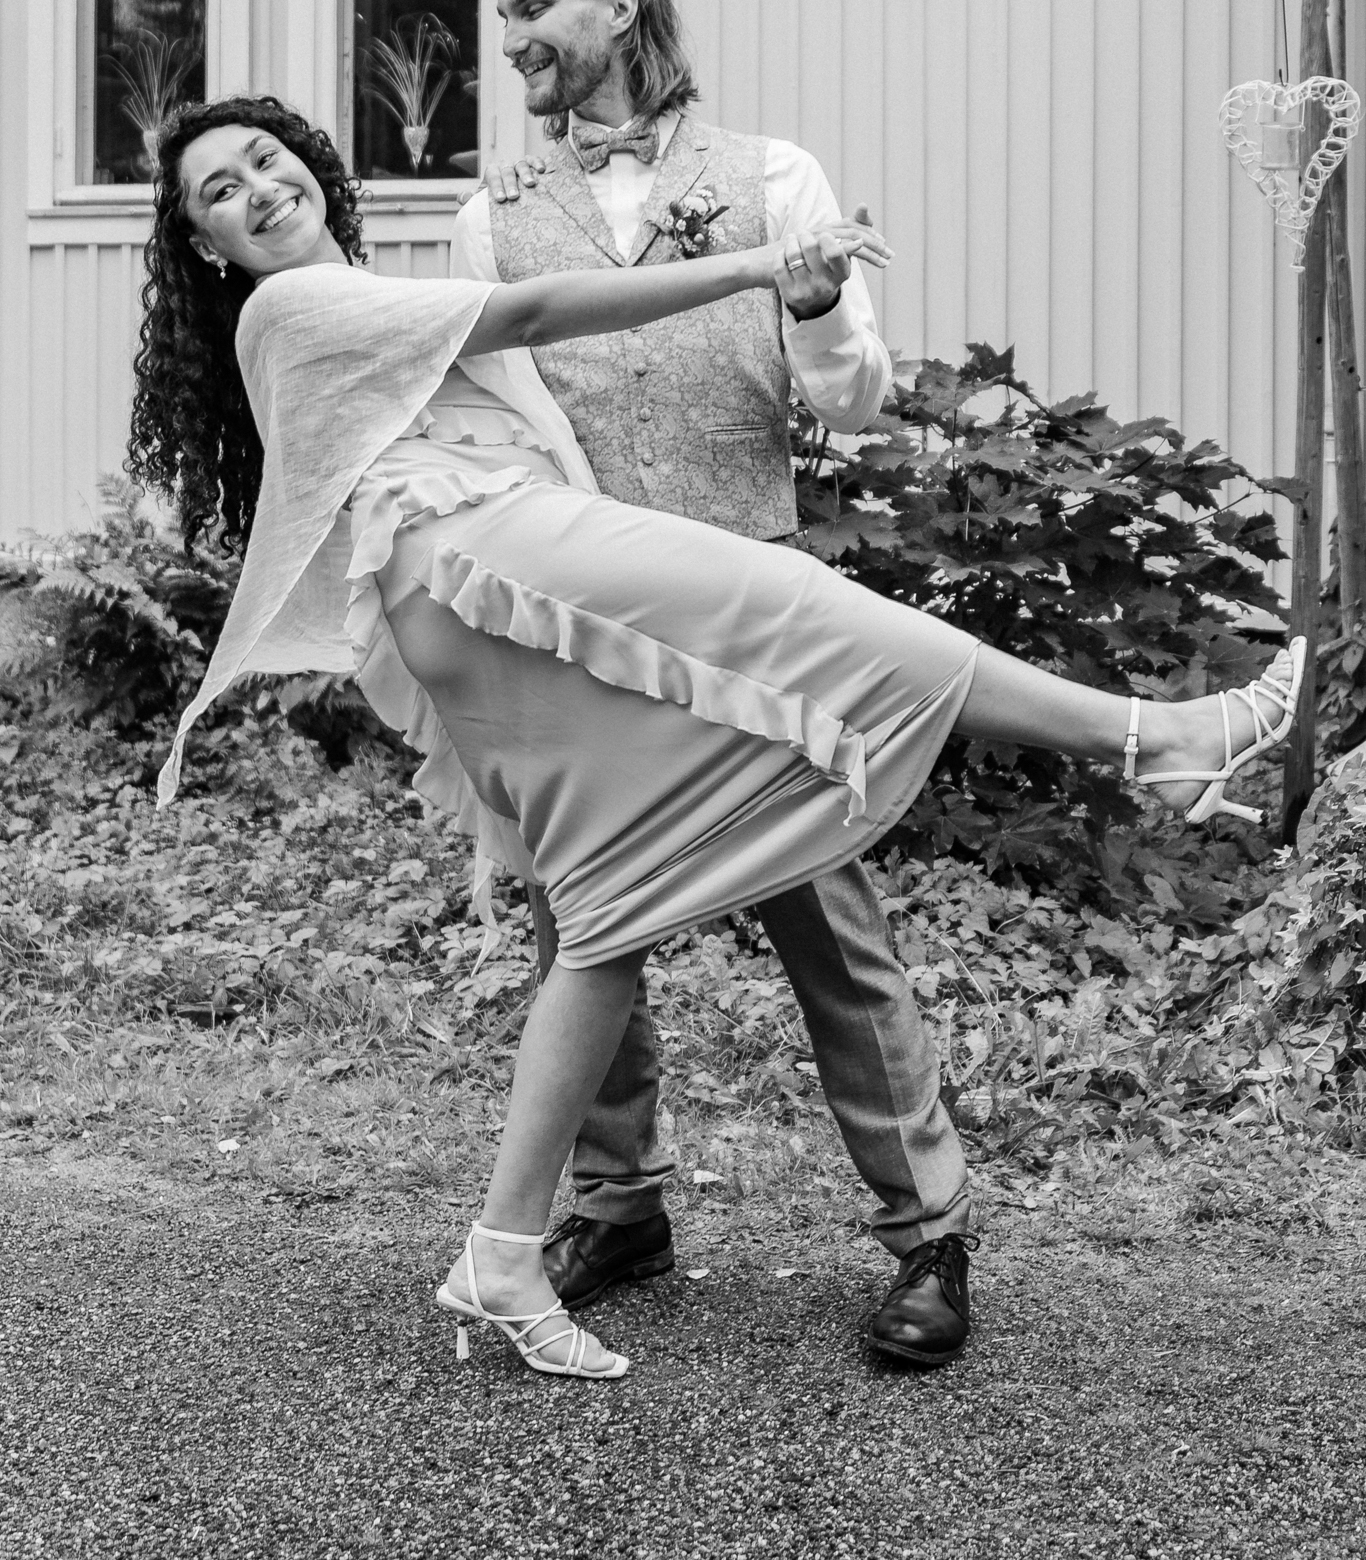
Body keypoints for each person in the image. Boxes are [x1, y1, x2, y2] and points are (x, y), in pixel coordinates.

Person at [130, 93, 1304, 1384]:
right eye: (220, 192)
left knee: (600, 920)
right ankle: (1158, 739)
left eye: (265, 160)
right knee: (819, 617)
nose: (257, 188)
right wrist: (755, 266)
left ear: (309, 165)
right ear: (204, 246)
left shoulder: (357, 299)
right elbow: (532, 312)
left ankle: (505, 1252)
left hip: (472, 601)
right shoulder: (296, 307)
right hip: (486, 557)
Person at [450, 0, 982, 1369]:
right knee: (586, 926)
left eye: (535, 9)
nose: (513, 40)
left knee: (831, 924)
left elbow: (854, 401)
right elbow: (484, 419)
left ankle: (927, 1232)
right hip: (579, 627)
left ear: (622, 8)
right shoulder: (489, 215)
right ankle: (617, 1206)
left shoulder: (774, 179)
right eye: (505, 16)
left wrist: (814, 308)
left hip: (749, 613)